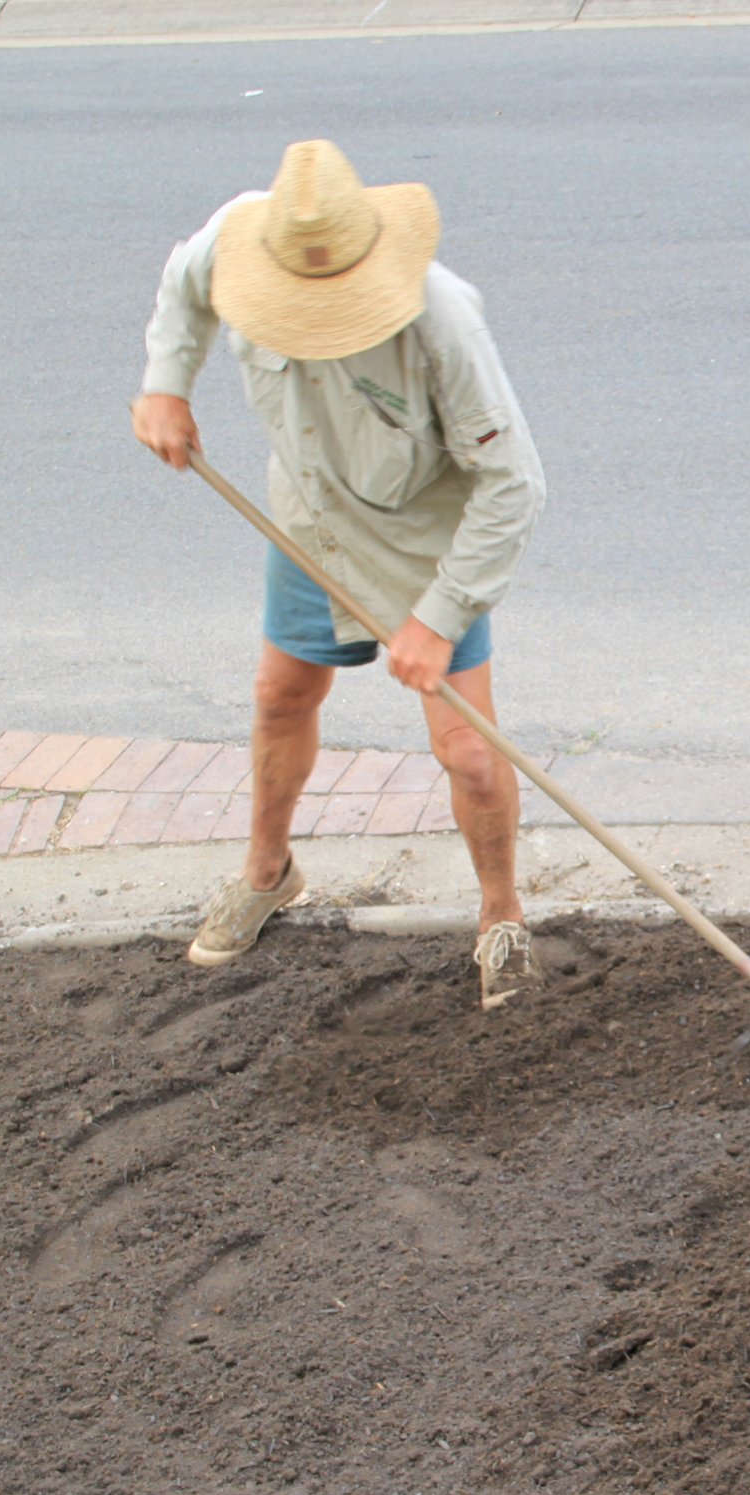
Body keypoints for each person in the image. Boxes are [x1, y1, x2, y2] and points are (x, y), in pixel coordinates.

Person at [131, 139, 546, 1008]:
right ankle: (268, 872)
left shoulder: (441, 318)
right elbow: (182, 282)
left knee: (469, 751)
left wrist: (437, 617)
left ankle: (502, 916)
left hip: (421, 540)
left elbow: (514, 484)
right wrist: (167, 383)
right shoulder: (239, 245)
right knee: (282, 694)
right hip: (311, 521)